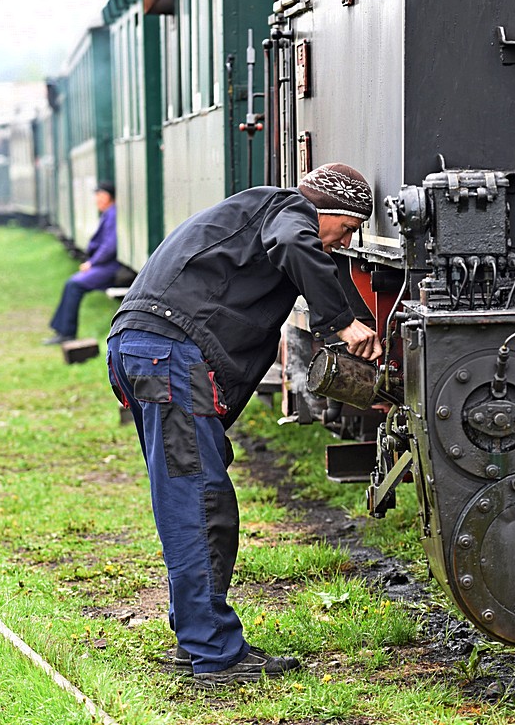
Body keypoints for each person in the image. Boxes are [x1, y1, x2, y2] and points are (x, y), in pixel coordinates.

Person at [106, 163, 382, 687]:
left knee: (192, 495)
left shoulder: (257, 214)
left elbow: (320, 268)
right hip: (169, 355)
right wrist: (342, 325)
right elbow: (298, 244)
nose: (344, 243)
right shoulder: (289, 210)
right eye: (346, 229)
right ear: (324, 211)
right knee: (199, 501)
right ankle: (214, 654)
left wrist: (359, 328)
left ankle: (196, 639)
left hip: (140, 348)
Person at [45, 182, 119, 345]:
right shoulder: (109, 213)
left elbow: (110, 246)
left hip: (109, 267)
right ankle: (61, 329)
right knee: (71, 284)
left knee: (74, 285)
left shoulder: (112, 214)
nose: (96, 200)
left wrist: (92, 263)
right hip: (104, 265)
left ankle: (67, 333)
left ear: (107, 197)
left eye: (99, 196)